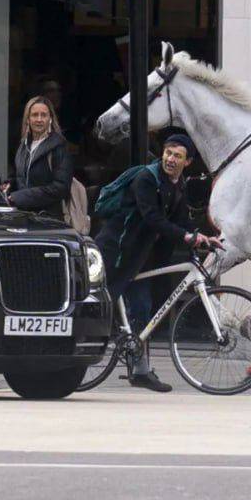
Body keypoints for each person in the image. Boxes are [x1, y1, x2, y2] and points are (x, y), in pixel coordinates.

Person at [94, 133, 220, 393]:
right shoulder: (146, 179)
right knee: (100, 306)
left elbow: (182, 219)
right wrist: (187, 237)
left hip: (139, 256)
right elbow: (152, 218)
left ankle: (139, 371)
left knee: (142, 309)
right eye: (168, 153)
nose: (171, 159)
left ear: (187, 162)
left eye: (178, 156)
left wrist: (203, 237)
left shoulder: (177, 185)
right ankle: (77, 355)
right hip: (117, 250)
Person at [5, 96, 72, 220]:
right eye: (35, 115)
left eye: (44, 115)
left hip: (48, 219)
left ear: (50, 119)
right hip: (23, 217)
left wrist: (21, 197)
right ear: (28, 120)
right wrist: (8, 185)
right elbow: (21, 177)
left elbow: (61, 187)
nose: (39, 119)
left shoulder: (58, 146)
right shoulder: (23, 145)